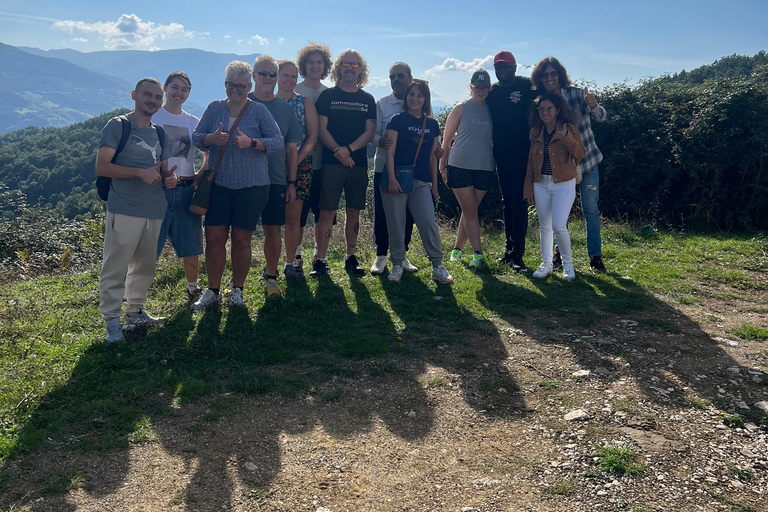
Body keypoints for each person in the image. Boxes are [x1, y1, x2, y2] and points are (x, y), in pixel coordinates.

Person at [190, 61, 283, 309]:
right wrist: (211, 139)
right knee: (214, 239)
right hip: (218, 185)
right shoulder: (214, 108)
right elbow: (197, 138)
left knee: (242, 239)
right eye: (231, 85)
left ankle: (237, 290)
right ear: (225, 84)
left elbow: (277, 142)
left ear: (249, 86)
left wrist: (252, 143)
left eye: (241, 86)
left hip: (252, 186)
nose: (236, 91)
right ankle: (213, 290)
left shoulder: (259, 111)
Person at [96, 77, 178, 342]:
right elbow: (102, 167)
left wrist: (170, 179)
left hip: (154, 208)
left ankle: (134, 312)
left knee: (145, 265)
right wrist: (139, 173)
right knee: (116, 265)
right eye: (148, 95)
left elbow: (164, 170)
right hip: (124, 207)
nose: (153, 100)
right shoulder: (118, 126)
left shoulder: (160, 132)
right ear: (134, 95)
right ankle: (111, 320)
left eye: (157, 97)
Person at [531, 56, 608, 273]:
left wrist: (594, 106)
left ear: (560, 75)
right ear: (540, 78)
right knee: (559, 215)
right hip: (560, 168)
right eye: (545, 75)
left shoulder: (576, 95)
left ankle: (595, 257)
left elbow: (602, 117)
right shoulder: (541, 102)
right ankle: (560, 256)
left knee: (590, 210)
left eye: (553, 74)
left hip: (587, 162)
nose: (549, 78)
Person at [380, 80, 453, 285]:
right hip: (397, 180)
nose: (414, 99)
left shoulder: (432, 124)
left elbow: (433, 156)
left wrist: (435, 187)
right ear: (406, 97)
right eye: (411, 94)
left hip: (421, 181)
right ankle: (396, 264)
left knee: (428, 223)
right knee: (396, 224)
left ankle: (438, 265)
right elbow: (390, 151)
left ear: (425, 99)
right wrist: (392, 178)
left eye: (419, 95)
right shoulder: (397, 120)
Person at [311, 49, 376, 276]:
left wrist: (348, 150)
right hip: (332, 163)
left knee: (354, 212)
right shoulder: (328, 96)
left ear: (362, 71)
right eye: (346, 64)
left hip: (357, 165)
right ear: (338, 68)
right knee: (326, 212)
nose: (350, 68)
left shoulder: (367, 99)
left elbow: (370, 132)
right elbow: (321, 129)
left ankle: (351, 257)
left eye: (356, 65)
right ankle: (320, 259)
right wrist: (339, 152)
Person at [247, 55, 302, 297]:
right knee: (241, 233)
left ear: (276, 77)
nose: (268, 78)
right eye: (263, 73)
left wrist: (292, 182)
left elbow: (292, 149)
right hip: (241, 179)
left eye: (272, 74)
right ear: (253, 76)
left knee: (272, 230)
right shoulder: (241, 102)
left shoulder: (285, 109)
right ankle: (239, 282)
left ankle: (271, 277)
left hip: (276, 179)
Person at [153, 71, 208, 300]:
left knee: (191, 243)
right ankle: (136, 293)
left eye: (184, 89)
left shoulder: (193, 123)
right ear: (165, 88)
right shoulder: (153, 117)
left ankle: (193, 288)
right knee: (149, 244)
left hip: (186, 189)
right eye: (175, 87)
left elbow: (208, 153)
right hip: (156, 189)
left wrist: (201, 172)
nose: (179, 93)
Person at [523, 93, 586, 280]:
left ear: (557, 110)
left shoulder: (568, 129)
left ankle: (568, 266)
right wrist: (528, 188)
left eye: (549, 108)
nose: (545, 112)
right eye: (541, 109)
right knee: (544, 226)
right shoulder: (537, 133)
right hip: (541, 184)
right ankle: (547, 264)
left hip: (564, 184)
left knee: (559, 225)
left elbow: (580, 154)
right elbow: (530, 163)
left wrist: (567, 137)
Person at [485, 51, 536, 271]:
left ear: (515, 67)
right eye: (498, 67)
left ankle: (518, 254)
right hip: (501, 155)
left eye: (506, 67)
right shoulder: (493, 92)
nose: (502, 71)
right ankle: (509, 250)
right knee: (507, 202)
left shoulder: (527, 86)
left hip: (524, 154)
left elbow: (547, 104)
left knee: (518, 202)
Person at [440, 69, 494, 268]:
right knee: (470, 210)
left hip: (484, 167)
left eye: (484, 87)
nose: (481, 91)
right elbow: (446, 141)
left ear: (489, 88)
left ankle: (457, 249)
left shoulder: (492, 109)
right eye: (477, 87)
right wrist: (442, 166)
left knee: (469, 209)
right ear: (471, 87)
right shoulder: (460, 108)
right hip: (459, 165)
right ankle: (478, 254)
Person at [371, 62, 417, 276]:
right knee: (382, 212)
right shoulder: (382, 104)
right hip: (383, 166)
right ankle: (381, 255)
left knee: (407, 214)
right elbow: (373, 133)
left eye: (401, 75)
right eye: (392, 77)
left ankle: (402, 254)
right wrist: (380, 141)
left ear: (410, 78)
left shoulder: (419, 103)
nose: (396, 80)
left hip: (410, 168)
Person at [276, 59, 319, 281]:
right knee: (271, 220)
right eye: (285, 75)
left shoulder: (305, 103)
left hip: (300, 166)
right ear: (276, 76)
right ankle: (270, 264)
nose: (289, 80)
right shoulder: (264, 103)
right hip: (268, 167)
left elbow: (312, 138)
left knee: (293, 218)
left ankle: (290, 262)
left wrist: (294, 162)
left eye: (293, 76)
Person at [294, 42, 333, 273]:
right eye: (311, 62)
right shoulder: (295, 90)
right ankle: (295, 254)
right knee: (297, 214)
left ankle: (320, 257)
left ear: (325, 66)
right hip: (299, 163)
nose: (315, 66)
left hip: (325, 163)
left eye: (320, 62)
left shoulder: (329, 94)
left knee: (324, 212)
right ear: (304, 65)